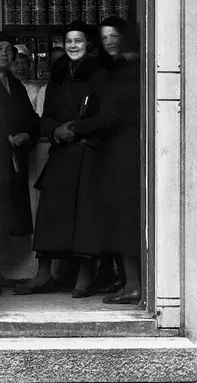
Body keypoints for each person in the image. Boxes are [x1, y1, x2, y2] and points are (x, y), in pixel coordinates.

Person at [15, 22, 119, 297]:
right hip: (61, 152)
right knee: (50, 214)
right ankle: (43, 274)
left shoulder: (101, 74)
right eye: (68, 41)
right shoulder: (59, 74)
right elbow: (46, 115)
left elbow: (108, 116)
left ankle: (84, 277)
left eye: (79, 41)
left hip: (89, 153)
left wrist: (74, 129)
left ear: (89, 45)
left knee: (86, 217)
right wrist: (54, 131)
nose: (72, 46)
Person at [94, 16, 143, 305]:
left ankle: (133, 285)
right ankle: (129, 282)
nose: (110, 41)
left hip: (124, 152)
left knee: (125, 219)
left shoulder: (125, 70)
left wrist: (76, 127)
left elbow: (111, 114)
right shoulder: (125, 67)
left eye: (114, 36)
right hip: (123, 150)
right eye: (105, 37)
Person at [0, 31, 40, 295]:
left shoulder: (14, 84)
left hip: (11, 160)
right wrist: (2, 136)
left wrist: (26, 135)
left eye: (9, 49)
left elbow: (31, 118)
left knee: (4, 216)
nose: (5, 54)